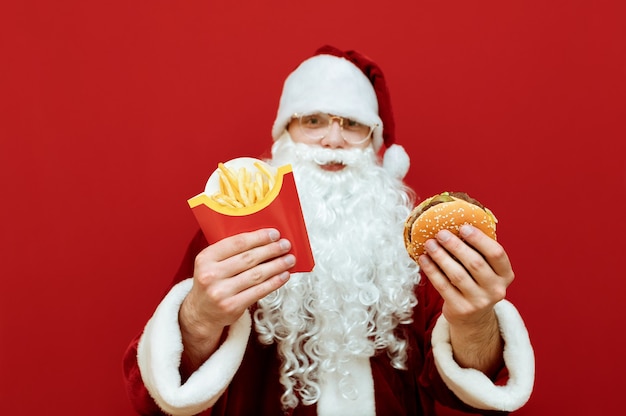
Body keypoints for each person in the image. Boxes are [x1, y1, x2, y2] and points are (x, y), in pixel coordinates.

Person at [123, 45, 535, 416]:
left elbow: (458, 390)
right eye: (313, 120)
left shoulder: (414, 244)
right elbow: (152, 395)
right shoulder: (231, 231)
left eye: (353, 125)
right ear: (284, 135)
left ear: (375, 144)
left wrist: (475, 322)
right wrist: (198, 319)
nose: (332, 140)